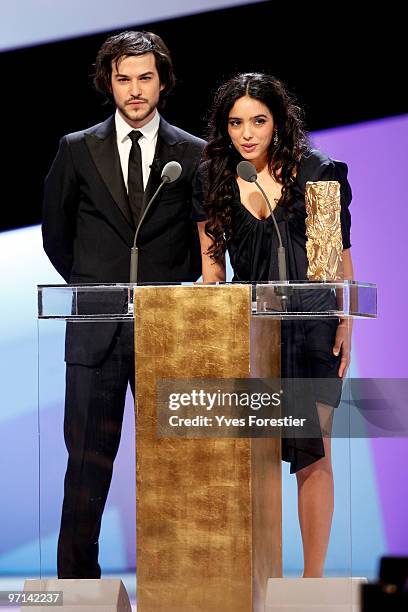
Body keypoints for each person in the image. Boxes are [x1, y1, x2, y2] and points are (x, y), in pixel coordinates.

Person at [42, 30, 205, 578]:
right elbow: (56, 236)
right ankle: (78, 588)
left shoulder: (193, 154)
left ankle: (177, 585)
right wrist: (98, 286)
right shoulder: (77, 149)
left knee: (177, 466)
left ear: (162, 81)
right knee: (86, 467)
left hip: (170, 330)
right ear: (107, 82)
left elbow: (201, 237)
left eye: (144, 78)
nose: (134, 90)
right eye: (123, 79)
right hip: (95, 331)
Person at [193, 72, 354, 577]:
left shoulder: (318, 169)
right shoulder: (213, 177)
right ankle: (256, 578)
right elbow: (212, 268)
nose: (247, 133)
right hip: (250, 330)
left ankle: (311, 582)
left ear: (278, 122)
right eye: (236, 122)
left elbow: (336, 262)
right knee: (251, 462)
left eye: (258, 121)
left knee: (314, 454)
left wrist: (345, 321)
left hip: (311, 327)